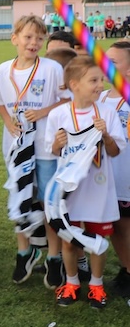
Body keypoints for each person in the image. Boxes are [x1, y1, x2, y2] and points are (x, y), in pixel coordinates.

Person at [0, 15, 69, 287]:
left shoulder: (51, 69)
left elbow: (67, 100)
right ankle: (24, 252)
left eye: (39, 38)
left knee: (49, 202)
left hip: (46, 147)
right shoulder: (2, 71)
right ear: (14, 38)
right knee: (20, 197)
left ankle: (54, 257)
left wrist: (44, 111)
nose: (33, 42)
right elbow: (0, 102)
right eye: (27, 37)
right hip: (16, 147)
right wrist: (7, 122)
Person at [49, 56, 124, 307]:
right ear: (74, 84)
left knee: (98, 241)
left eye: (101, 79)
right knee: (69, 239)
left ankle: (96, 285)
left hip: (98, 190)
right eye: (93, 80)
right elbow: (54, 150)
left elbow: (115, 151)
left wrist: (106, 136)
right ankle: (72, 283)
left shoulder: (107, 113)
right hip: (69, 193)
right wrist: (57, 144)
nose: (100, 85)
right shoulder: (59, 114)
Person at [104, 41, 130, 296]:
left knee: (125, 227)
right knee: (115, 227)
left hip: (126, 179)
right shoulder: (100, 97)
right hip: (105, 179)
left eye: (113, 62)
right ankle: (126, 269)